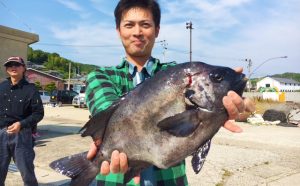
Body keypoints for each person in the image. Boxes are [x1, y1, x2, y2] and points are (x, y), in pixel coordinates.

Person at [85, 0, 255, 185]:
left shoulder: (175, 72)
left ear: (157, 30)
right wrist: (108, 142)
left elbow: (245, 106)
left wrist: (242, 105)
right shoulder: (101, 76)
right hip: (114, 178)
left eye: (145, 24)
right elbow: (104, 109)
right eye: (129, 25)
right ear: (118, 31)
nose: (137, 32)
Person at [0, 56, 44, 186]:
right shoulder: (1, 87)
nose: (13, 67)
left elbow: (38, 113)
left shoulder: (31, 89)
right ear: (7, 69)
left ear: (23, 68)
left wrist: (21, 124)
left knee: (27, 172)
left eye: (17, 65)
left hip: (22, 135)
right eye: (10, 65)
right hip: (1, 133)